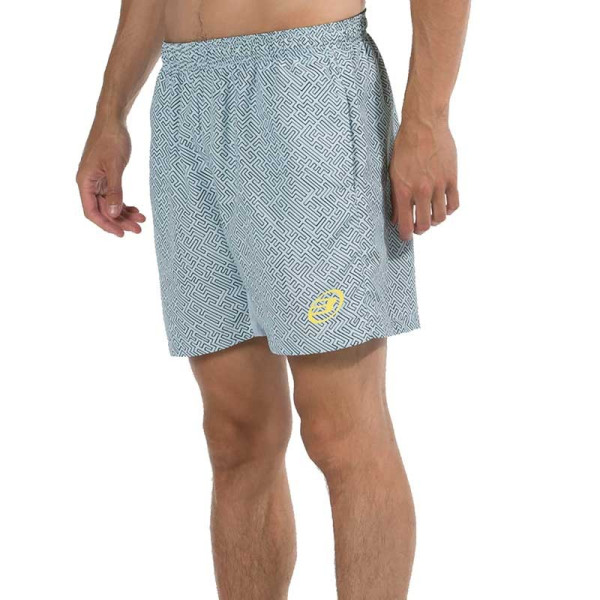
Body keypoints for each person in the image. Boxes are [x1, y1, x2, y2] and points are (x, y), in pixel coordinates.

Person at [76, 0, 470, 597]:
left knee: (340, 429)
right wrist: (110, 114)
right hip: (185, 99)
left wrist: (428, 118)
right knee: (236, 434)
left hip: (304, 85)